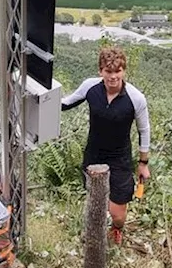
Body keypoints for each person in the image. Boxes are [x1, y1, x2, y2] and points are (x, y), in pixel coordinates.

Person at [61, 46, 151, 245]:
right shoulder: (90, 87)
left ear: (124, 71)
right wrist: (38, 99)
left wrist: (143, 163)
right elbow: (65, 104)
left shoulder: (135, 98)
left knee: (117, 213)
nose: (113, 76)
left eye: (117, 71)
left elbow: (144, 130)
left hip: (120, 159)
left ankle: (116, 229)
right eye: (108, 71)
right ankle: (94, 238)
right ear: (100, 71)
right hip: (93, 155)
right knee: (95, 203)